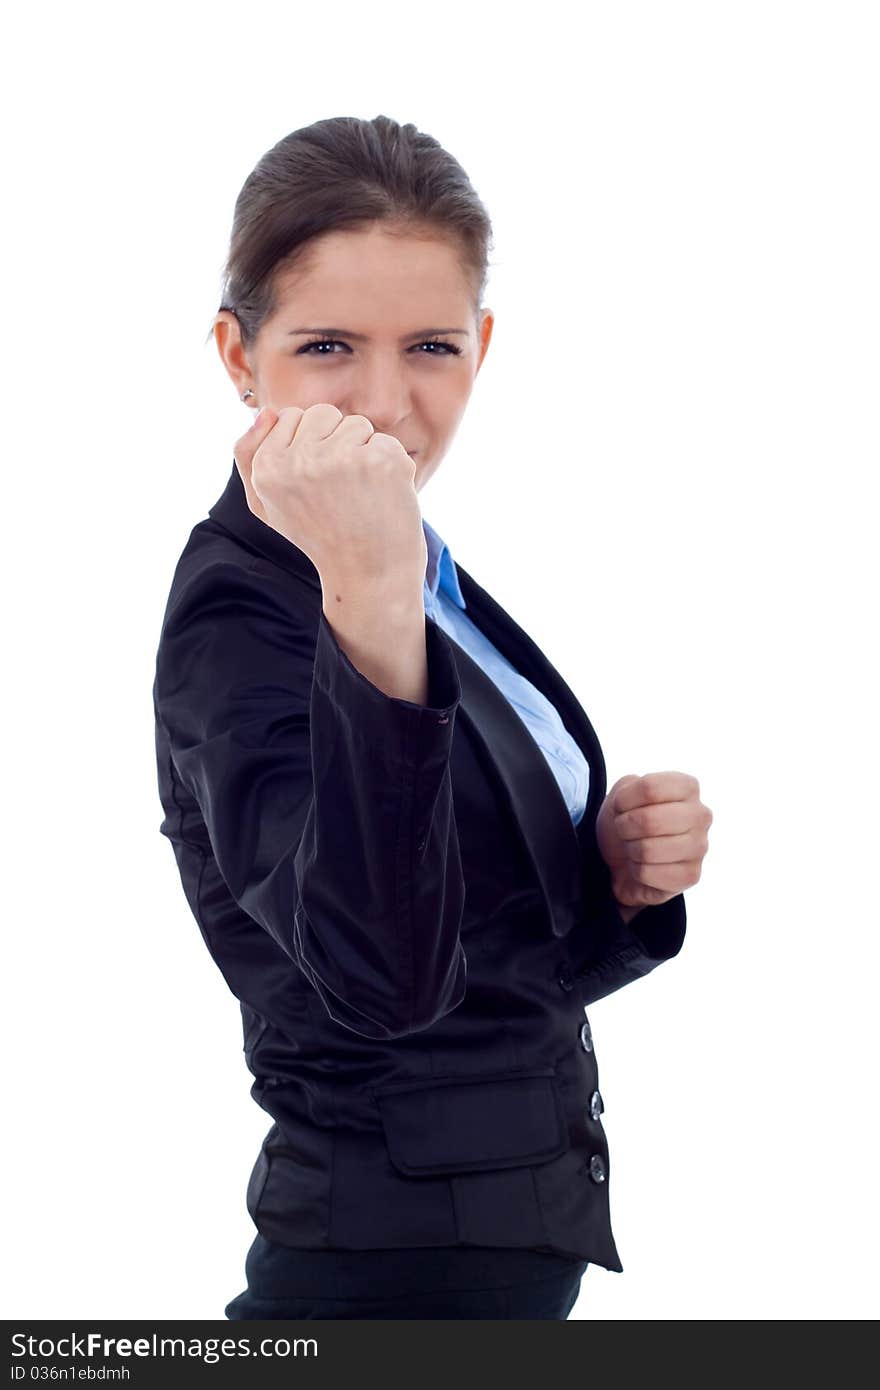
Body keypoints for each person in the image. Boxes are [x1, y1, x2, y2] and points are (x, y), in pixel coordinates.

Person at [152, 113, 713, 1321]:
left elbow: (489, 961)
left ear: (484, 347)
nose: (387, 404)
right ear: (236, 354)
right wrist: (362, 591)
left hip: (497, 1252)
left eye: (431, 347)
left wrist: (612, 884)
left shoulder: (424, 578)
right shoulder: (245, 611)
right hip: (382, 1272)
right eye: (326, 347)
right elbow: (379, 976)